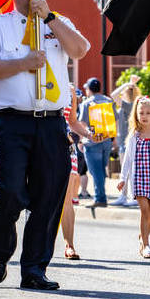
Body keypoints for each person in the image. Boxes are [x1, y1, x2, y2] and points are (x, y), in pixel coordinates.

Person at [0, 0, 89, 291]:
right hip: (12, 122)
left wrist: (49, 17)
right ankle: (0, 255)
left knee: (49, 196)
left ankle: (35, 269)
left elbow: (80, 50)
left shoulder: (58, 22)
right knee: (9, 192)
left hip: (51, 122)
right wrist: (23, 63)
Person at [117, 96, 150, 259]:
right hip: (139, 178)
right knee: (145, 211)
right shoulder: (134, 136)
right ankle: (145, 244)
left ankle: (143, 236)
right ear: (137, 115)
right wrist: (122, 178)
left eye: (148, 112)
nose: (144, 116)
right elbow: (128, 159)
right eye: (141, 113)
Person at [60, 84, 92, 260]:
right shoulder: (36, 79)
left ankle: (69, 245)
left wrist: (89, 134)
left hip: (66, 147)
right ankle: (39, 247)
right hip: (42, 145)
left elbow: (72, 121)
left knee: (66, 200)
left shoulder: (70, 89)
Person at [77, 77, 115, 208]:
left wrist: (81, 140)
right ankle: (100, 195)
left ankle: (100, 198)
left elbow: (81, 123)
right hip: (107, 140)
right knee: (101, 170)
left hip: (92, 141)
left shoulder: (86, 103)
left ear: (89, 89)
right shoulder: (109, 100)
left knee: (96, 171)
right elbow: (114, 119)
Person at [108, 75, 142, 207]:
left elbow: (113, 94)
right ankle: (124, 196)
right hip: (127, 142)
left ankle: (131, 197)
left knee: (129, 171)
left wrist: (127, 84)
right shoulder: (133, 105)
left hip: (128, 143)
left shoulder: (128, 105)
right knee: (127, 171)